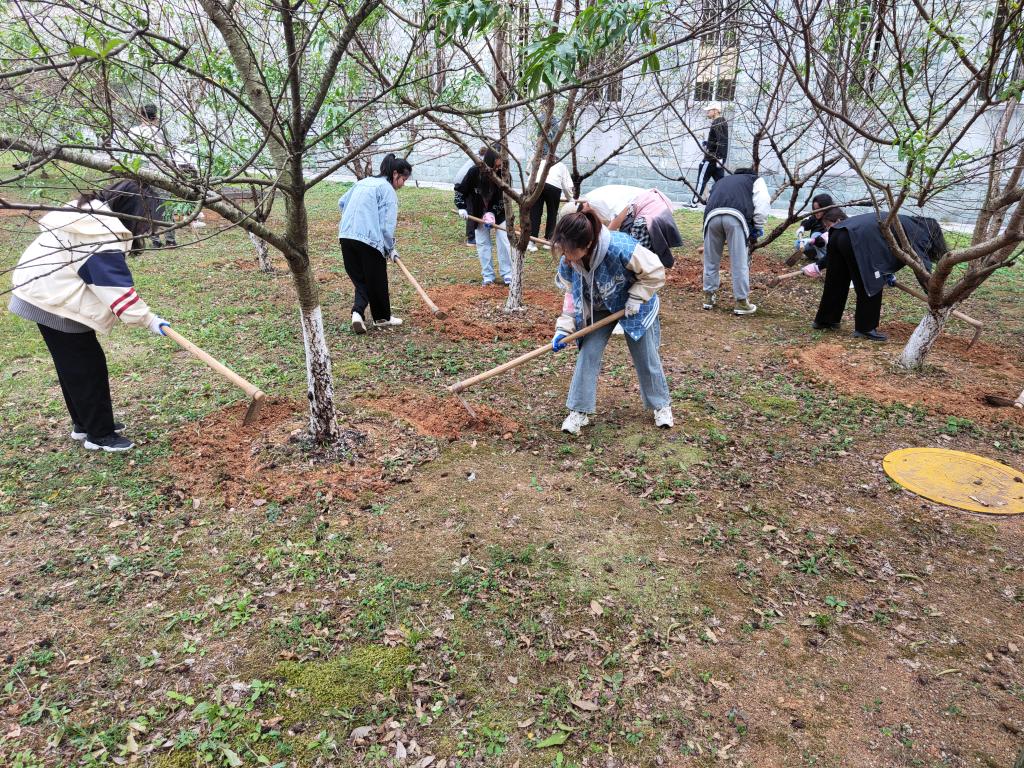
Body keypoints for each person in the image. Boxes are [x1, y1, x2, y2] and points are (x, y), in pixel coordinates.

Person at [8, 180, 171, 452]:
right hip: (50, 298)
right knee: (86, 366)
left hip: (42, 291)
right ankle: (100, 434)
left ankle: (85, 424)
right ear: (130, 210)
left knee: (74, 364)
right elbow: (112, 286)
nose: (144, 228)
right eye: (144, 220)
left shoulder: (90, 214)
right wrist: (149, 319)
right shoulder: (98, 233)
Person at [549, 209, 673, 434]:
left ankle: (661, 406)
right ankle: (579, 411)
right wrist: (563, 329)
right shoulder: (568, 261)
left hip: (635, 304)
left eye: (569, 250)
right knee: (588, 353)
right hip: (600, 307)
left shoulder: (620, 247)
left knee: (646, 355)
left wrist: (636, 297)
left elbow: (655, 272)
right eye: (562, 249)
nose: (565, 255)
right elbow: (572, 296)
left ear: (587, 244)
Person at [812, 212, 947, 341]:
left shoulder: (905, 221)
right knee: (871, 282)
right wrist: (934, 293)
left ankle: (825, 320)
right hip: (858, 238)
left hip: (838, 232)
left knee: (836, 281)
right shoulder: (920, 232)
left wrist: (887, 272)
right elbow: (921, 266)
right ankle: (865, 328)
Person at [338, 153, 413, 334]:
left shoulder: (363, 182)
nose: (403, 184)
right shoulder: (388, 190)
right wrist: (390, 248)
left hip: (346, 236)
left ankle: (359, 314)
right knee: (377, 279)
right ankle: (381, 318)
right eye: (403, 179)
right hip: (369, 240)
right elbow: (386, 226)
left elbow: (342, 202)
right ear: (395, 174)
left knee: (362, 281)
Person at [701, 167, 771, 315]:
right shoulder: (755, 180)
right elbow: (763, 202)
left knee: (711, 260)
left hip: (711, 217)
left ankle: (708, 297)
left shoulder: (722, 180)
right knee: (739, 262)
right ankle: (741, 302)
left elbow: (709, 199)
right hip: (736, 218)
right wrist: (758, 226)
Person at [575, 185, 683, 268]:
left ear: (584, 208)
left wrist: (605, 239)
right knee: (638, 256)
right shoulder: (596, 200)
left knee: (633, 255)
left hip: (649, 209)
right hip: (656, 205)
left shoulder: (594, 201)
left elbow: (621, 212)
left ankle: (642, 278)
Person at [455, 148, 512, 286]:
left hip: (500, 213)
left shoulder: (505, 175)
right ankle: (488, 275)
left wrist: (492, 212)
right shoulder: (474, 172)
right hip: (478, 213)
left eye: (500, 165)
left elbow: (505, 198)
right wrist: (461, 207)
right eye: (496, 165)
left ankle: (507, 273)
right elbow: (460, 191)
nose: (498, 168)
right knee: (482, 243)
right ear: (489, 161)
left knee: (504, 241)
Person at [125, 104, 178, 248]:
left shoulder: (133, 132)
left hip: (140, 173)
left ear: (141, 115)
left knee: (148, 206)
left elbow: (130, 154)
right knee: (165, 206)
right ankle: (170, 240)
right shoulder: (160, 132)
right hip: (160, 173)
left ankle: (155, 241)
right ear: (155, 116)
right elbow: (168, 154)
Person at [528, 157, 575, 251]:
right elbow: (567, 186)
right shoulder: (561, 165)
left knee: (535, 213)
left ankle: (531, 242)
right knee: (552, 213)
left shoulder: (540, 162)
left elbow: (530, 178)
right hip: (553, 187)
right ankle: (549, 241)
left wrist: (528, 192)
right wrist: (571, 199)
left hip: (536, 185)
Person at [690, 102, 729, 206]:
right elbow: (718, 140)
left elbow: (722, 141)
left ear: (716, 111)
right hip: (717, 159)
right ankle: (724, 203)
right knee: (721, 183)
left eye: (709, 110)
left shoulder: (718, 122)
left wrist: (718, 157)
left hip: (712, 159)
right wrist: (708, 143)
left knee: (701, 179)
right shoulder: (720, 122)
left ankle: (694, 202)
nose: (707, 112)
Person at [799, 206, 847, 277]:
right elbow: (821, 241)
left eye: (828, 226)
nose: (827, 229)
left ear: (838, 221)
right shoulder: (837, 232)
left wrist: (817, 267)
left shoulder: (846, 236)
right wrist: (811, 240)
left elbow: (834, 256)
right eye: (826, 226)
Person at [454, 147, 486, 247]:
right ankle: (471, 238)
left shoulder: (479, 155)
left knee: (477, 206)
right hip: (463, 183)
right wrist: (461, 207)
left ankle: (477, 232)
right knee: (471, 209)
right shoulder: (481, 160)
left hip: (469, 182)